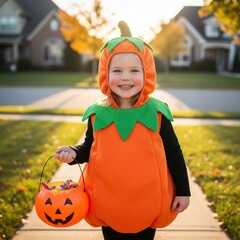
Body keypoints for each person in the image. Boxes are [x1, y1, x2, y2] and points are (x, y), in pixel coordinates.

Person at [54, 21, 190, 240]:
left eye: (134, 70)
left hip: (148, 199)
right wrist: (72, 153)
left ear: (147, 74)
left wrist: (183, 190)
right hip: (108, 199)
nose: (125, 77)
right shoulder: (97, 114)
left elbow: (174, 153)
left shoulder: (156, 114)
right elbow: (89, 147)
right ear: (105, 75)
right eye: (117, 70)